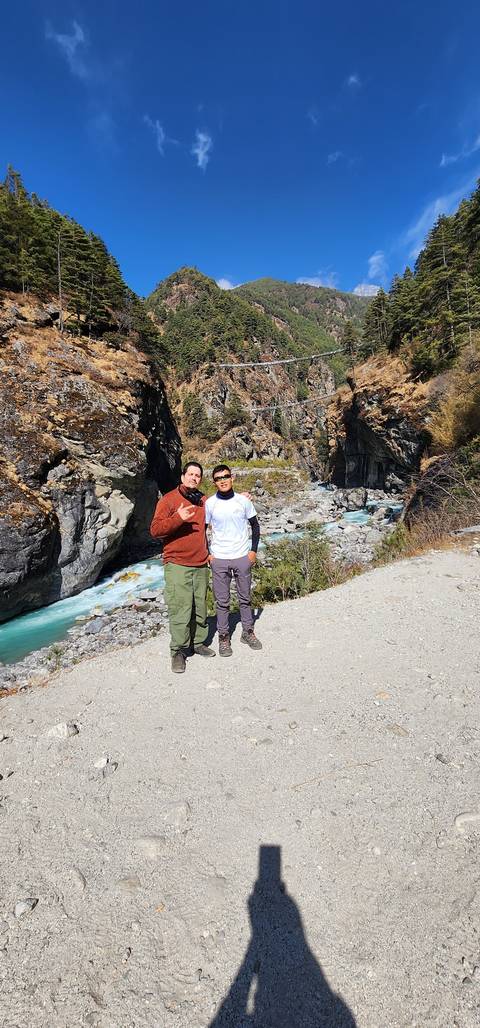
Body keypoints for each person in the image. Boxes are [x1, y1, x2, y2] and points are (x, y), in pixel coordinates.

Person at [150, 461, 215, 674]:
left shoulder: (203, 501)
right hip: (177, 564)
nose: (194, 478)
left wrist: (241, 499)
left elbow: (221, 509)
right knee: (181, 608)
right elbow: (156, 530)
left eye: (198, 475)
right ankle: (178, 650)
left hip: (201, 563)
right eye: (191, 474)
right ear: (182, 477)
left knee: (200, 607)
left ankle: (197, 643)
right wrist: (178, 518)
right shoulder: (169, 500)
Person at [205, 463, 262, 656]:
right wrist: (209, 554)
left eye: (225, 476)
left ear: (232, 478)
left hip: (241, 556)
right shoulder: (210, 503)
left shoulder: (243, 501)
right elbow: (203, 530)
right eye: (218, 478)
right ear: (214, 482)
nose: (223, 480)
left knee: (245, 598)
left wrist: (253, 551)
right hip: (219, 558)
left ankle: (248, 631)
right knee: (222, 601)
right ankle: (223, 637)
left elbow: (255, 526)